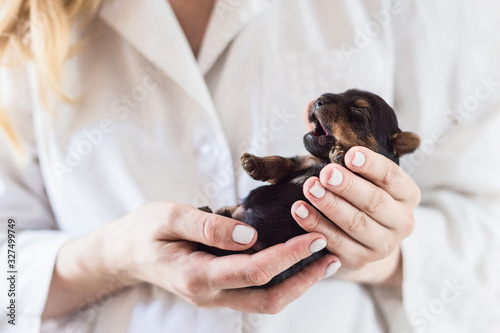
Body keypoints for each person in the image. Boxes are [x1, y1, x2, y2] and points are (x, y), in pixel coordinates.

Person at [1, 1, 499, 332]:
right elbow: (7, 269)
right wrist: (114, 257)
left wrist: (380, 252)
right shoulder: (20, 24)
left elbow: (486, 238)